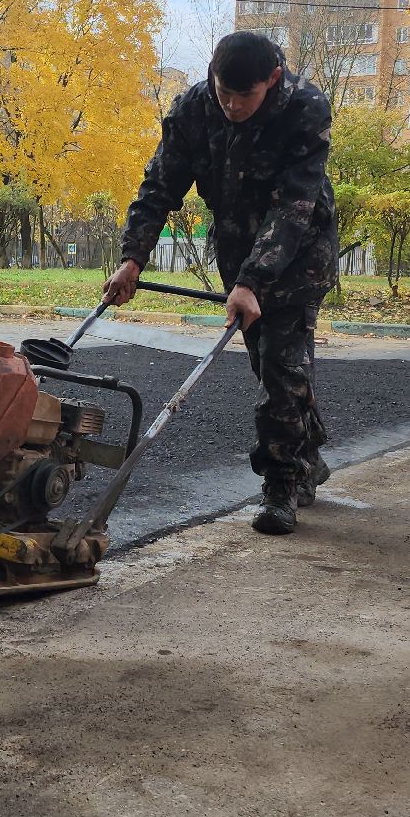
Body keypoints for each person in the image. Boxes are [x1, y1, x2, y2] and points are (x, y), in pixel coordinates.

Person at [106, 31, 338, 535]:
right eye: (222, 92)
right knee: (273, 365)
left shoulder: (306, 109)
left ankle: (281, 488)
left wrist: (255, 279)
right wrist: (133, 258)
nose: (231, 105)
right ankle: (307, 449)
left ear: (272, 79)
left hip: (299, 254)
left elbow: (294, 205)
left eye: (244, 96)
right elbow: (160, 185)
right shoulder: (194, 108)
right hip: (237, 252)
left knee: (280, 364)